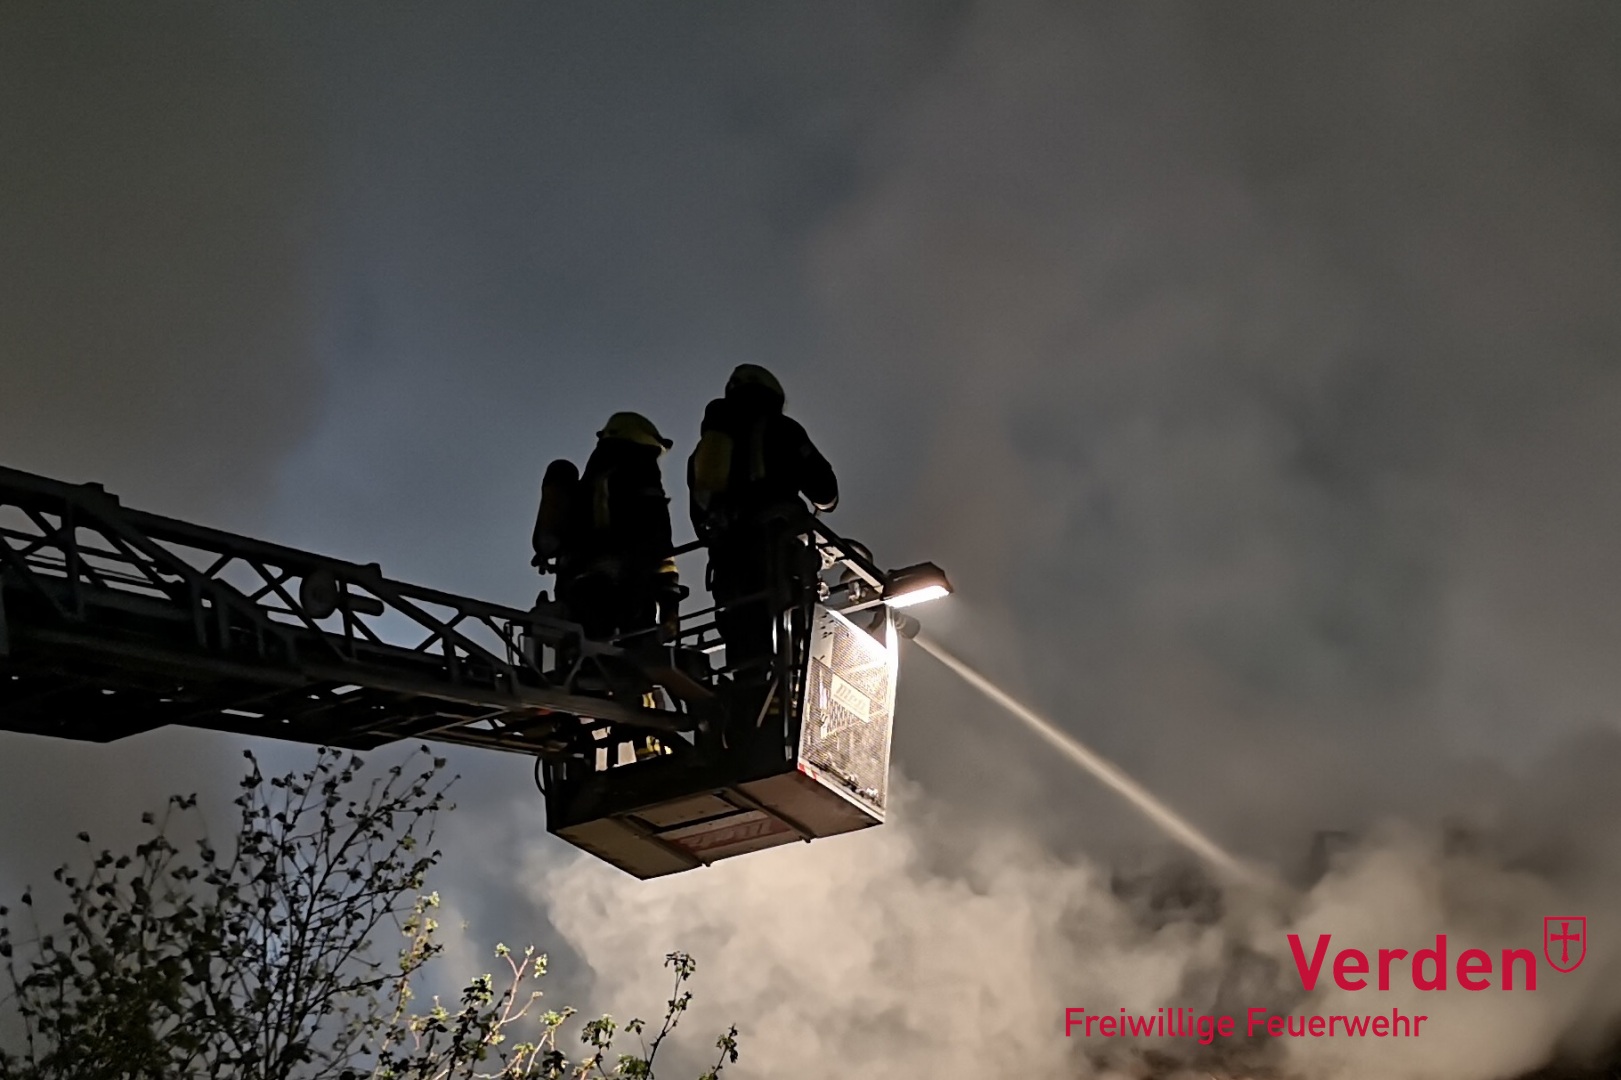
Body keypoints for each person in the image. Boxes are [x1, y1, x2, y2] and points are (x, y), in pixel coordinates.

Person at [687, 364, 838, 687]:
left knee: (745, 643)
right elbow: (826, 491)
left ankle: (750, 700)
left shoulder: (704, 452)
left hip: (729, 565)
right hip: (778, 551)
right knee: (794, 631)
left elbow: (700, 521)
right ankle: (795, 693)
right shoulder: (783, 429)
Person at [550, 412, 682, 644]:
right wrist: (669, 603)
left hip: (578, 591)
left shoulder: (589, 482)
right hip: (626, 591)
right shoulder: (640, 468)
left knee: (595, 662)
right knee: (635, 664)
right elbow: (658, 541)